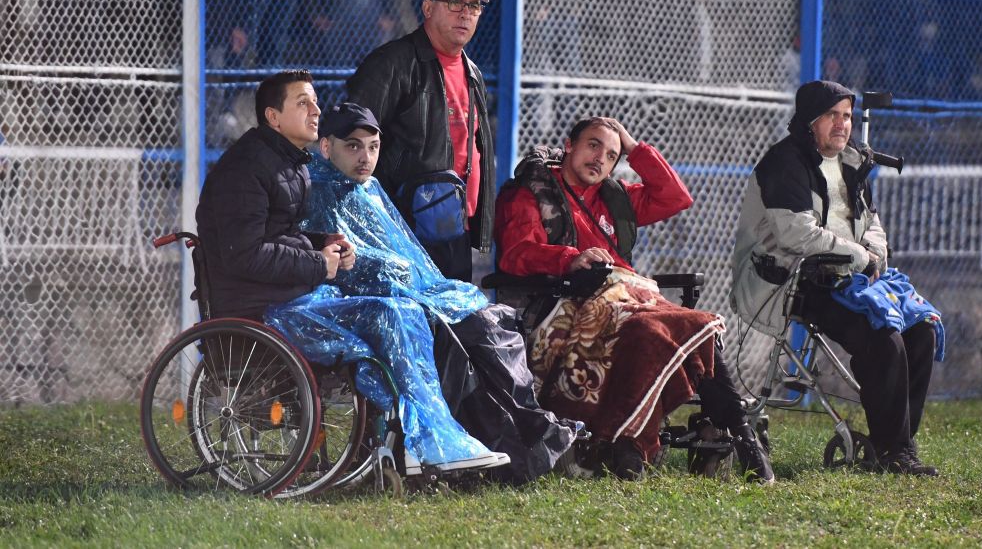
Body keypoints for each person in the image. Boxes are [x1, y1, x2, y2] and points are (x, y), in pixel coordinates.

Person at [195, 70, 506, 474]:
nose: (315, 110)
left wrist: (325, 242)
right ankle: (428, 442)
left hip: (294, 299)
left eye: (314, 101)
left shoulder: (288, 163)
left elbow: (279, 236)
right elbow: (245, 255)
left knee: (406, 309)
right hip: (262, 313)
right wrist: (317, 263)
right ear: (273, 117)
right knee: (389, 313)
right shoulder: (245, 170)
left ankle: (423, 440)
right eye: (303, 103)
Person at [302, 101, 578, 483]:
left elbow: (408, 252)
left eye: (373, 147)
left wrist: (421, 283)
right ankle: (523, 441)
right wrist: (403, 277)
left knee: (491, 322)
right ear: (326, 147)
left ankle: (528, 436)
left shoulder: (371, 188)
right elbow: (344, 264)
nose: (365, 157)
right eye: (353, 146)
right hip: (371, 302)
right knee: (471, 331)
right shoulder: (318, 190)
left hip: (410, 292)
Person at [495, 116, 774, 482]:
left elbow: (675, 197)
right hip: (564, 300)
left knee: (696, 329)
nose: (600, 158)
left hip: (628, 296)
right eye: (593, 145)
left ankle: (742, 438)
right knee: (660, 329)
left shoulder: (614, 199)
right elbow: (515, 254)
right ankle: (630, 445)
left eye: (612, 155)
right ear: (568, 146)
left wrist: (634, 148)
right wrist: (570, 258)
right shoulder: (529, 194)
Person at [731, 80, 941, 476]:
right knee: (883, 338)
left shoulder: (850, 162)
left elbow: (871, 221)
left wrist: (875, 250)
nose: (842, 124)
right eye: (832, 115)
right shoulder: (784, 163)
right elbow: (797, 234)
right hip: (799, 280)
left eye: (846, 116)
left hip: (853, 277)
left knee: (922, 331)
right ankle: (893, 453)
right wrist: (861, 256)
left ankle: (897, 443)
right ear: (810, 120)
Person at [345, 0, 495, 284]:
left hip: (454, 231)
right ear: (428, 8)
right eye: (454, 3)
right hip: (403, 231)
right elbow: (350, 138)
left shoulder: (473, 73)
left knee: (454, 314)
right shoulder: (391, 63)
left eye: (473, 6)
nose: (465, 13)